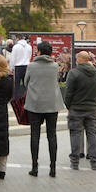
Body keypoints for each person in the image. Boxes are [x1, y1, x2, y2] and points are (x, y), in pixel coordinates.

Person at [24, 41, 64, 177]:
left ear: (39, 52)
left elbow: (25, 82)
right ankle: (53, 168)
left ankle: (34, 167)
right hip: (52, 105)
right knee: (52, 135)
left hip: (35, 104)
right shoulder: (54, 66)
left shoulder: (31, 66)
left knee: (35, 135)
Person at [65, 51, 96, 170]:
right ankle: (94, 161)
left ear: (80, 59)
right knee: (92, 134)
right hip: (91, 108)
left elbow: (69, 92)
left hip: (76, 108)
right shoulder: (95, 73)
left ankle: (75, 161)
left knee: (75, 133)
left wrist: (68, 105)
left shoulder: (74, 73)